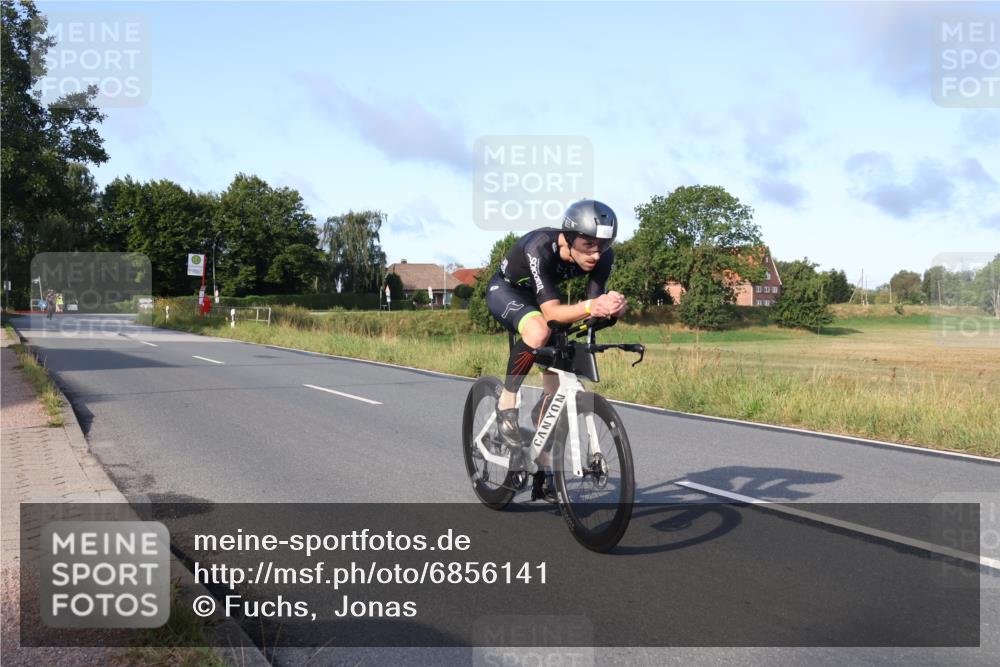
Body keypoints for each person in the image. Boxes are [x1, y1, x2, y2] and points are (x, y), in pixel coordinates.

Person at [485, 200, 628, 501]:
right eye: (588, 244)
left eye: (603, 245)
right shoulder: (540, 246)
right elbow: (552, 314)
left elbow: (590, 311)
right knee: (539, 330)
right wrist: (592, 306)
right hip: (508, 292)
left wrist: (611, 310)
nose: (596, 253)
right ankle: (506, 401)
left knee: (555, 394)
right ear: (568, 237)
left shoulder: (603, 257)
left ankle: (544, 468)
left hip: (545, 300)